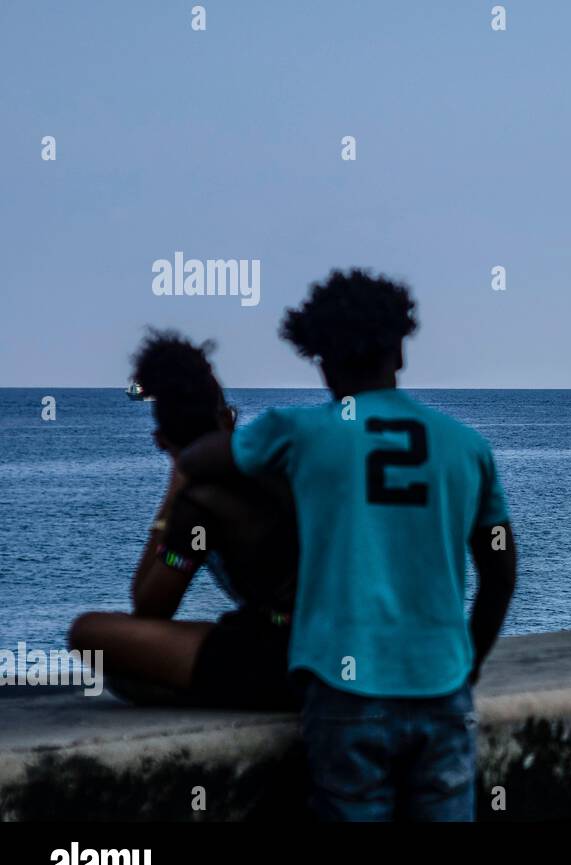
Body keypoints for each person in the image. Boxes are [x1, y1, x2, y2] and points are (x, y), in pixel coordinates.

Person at [179, 269, 517, 821]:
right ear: (400, 353)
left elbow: (198, 461)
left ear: (321, 359)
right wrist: (468, 662)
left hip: (345, 689)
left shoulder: (298, 432)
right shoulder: (468, 447)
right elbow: (500, 573)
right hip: (442, 687)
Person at [68, 330, 300, 710]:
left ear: (161, 440)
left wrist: (173, 494)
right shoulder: (278, 465)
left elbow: (150, 606)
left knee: (89, 633)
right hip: (330, 638)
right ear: (227, 419)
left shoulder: (200, 507)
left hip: (284, 654)